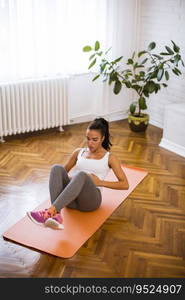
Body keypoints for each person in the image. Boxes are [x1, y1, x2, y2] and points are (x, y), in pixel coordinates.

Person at [27, 117, 129, 229]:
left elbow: (125, 184)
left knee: (82, 175)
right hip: (70, 200)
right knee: (56, 168)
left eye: (94, 140)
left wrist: (100, 182)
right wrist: (73, 181)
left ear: (102, 138)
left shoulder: (110, 158)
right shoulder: (78, 152)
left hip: (90, 201)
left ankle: (49, 212)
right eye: (88, 139)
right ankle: (56, 214)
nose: (90, 143)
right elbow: (62, 174)